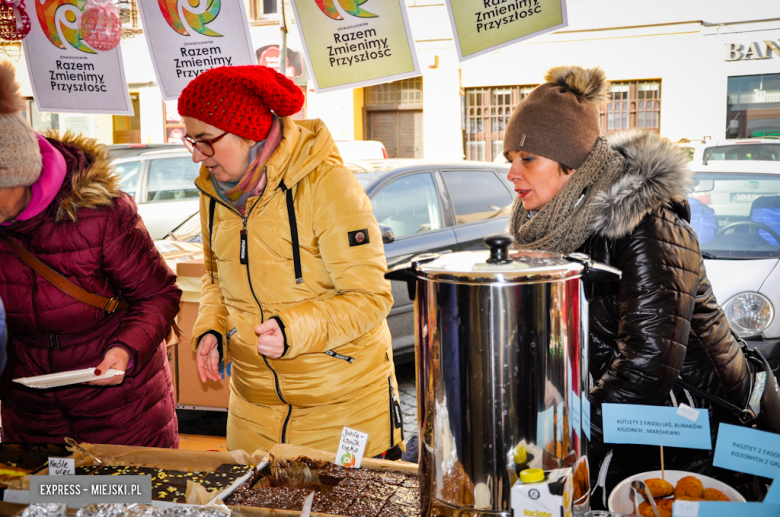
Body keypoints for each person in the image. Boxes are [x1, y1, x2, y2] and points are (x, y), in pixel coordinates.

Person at [501, 65, 759, 504]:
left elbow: (649, 361)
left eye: (527, 158)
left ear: (572, 165)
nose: (512, 174)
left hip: (689, 429)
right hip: (626, 422)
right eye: (509, 160)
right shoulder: (558, 225)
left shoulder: (647, 224)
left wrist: (565, 434)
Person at [179, 65, 402, 457]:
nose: (198, 154)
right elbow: (215, 278)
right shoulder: (212, 191)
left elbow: (370, 297)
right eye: (190, 141)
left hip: (341, 409)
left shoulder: (327, 184)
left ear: (247, 131)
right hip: (251, 410)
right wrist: (212, 329)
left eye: (206, 141)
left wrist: (292, 329)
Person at [0, 60, 180, 446]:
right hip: (31, 412)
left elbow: (158, 295)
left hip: (121, 406)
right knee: (46, 503)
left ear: (21, 174)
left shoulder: (100, 212)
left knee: (126, 500)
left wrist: (126, 348)